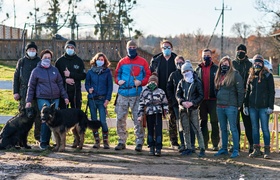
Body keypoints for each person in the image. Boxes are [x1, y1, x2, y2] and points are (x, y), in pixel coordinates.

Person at [25, 49, 69, 150]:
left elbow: (60, 84)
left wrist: (65, 96)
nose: (47, 59)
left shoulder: (54, 70)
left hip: (55, 98)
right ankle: (43, 142)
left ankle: (56, 143)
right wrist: (28, 100)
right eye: (45, 57)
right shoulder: (36, 71)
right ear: (41, 58)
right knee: (45, 119)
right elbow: (31, 86)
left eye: (49, 58)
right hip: (42, 98)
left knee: (54, 120)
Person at [114, 40, 151, 151]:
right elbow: (116, 75)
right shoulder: (122, 62)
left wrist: (141, 82)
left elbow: (148, 75)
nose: (132, 49)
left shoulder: (143, 62)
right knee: (120, 118)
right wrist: (118, 81)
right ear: (127, 48)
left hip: (136, 94)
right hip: (123, 94)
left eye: (134, 47)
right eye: (130, 47)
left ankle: (139, 142)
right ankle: (121, 141)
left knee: (138, 118)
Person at [244, 54, 275, 159]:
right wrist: (245, 106)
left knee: (265, 129)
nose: (257, 64)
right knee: (255, 128)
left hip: (264, 107)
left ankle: (267, 150)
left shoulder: (268, 75)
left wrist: (270, 106)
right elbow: (247, 92)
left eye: (259, 62)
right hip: (252, 107)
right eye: (255, 62)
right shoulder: (251, 75)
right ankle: (256, 149)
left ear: (262, 63)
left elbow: (272, 92)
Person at [150, 40, 179, 148]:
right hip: (158, 93)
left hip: (172, 93)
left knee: (173, 118)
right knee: (157, 118)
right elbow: (151, 77)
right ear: (161, 49)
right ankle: (155, 141)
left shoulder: (176, 60)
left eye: (168, 47)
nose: (166, 49)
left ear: (171, 48)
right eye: (164, 47)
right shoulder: (156, 61)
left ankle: (174, 141)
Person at [214, 56, 244, 158]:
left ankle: (236, 149)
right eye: (222, 64)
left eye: (226, 64)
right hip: (219, 105)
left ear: (230, 64)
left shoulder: (235, 75)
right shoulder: (219, 75)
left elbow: (240, 91)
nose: (224, 66)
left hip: (231, 106)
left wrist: (239, 105)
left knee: (233, 128)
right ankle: (224, 148)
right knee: (223, 128)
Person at [13, 41, 41, 141]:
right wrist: (15, 92)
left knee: (38, 115)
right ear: (26, 51)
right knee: (22, 115)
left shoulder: (39, 61)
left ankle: (38, 137)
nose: (32, 51)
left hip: (37, 92)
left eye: (33, 50)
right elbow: (16, 78)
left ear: (36, 51)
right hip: (23, 92)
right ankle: (20, 138)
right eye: (30, 50)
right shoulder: (21, 62)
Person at [176, 60, 205, 157]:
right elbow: (178, 94)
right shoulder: (181, 82)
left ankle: (202, 148)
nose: (185, 73)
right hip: (183, 109)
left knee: (197, 129)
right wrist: (182, 102)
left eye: (187, 71)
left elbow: (201, 95)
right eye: (183, 72)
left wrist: (193, 103)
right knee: (185, 129)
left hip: (193, 109)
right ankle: (188, 148)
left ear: (191, 71)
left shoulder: (197, 82)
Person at [166, 56, 195, 153]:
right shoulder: (173, 75)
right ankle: (183, 144)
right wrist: (174, 100)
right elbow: (169, 88)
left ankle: (191, 144)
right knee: (181, 125)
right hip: (177, 104)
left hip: (190, 104)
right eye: (177, 63)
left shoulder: (191, 74)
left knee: (191, 124)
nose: (179, 64)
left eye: (181, 62)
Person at [85, 52, 113, 149]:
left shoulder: (107, 72)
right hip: (92, 99)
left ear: (104, 61)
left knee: (103, 121)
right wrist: (89, 89)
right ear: (95, 60)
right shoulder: (90, 72)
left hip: (102, 100)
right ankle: (97, 141)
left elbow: (110, 87)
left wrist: (107, 99)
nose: (100, 61)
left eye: (102, 60)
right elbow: (86, 84)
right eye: (98, 59)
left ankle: (106, 141)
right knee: (94, 120)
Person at [137, 73, 168, 156]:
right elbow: (141, 104)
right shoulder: (144, 92)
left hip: (158, 113)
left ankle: (158, 148)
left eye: (154, 81)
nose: (153, 83)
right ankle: (151, 147)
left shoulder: (161, 91)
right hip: (149, 113)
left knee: (158, 131)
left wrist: (166, 112)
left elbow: (165, 103)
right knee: (150, 130)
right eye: (151, 81)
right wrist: (140, 115)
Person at [195, 49, 220, 151]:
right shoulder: (198, 69)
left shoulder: (216, 69)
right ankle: (204, 143)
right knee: (203, 123)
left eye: (208, 55)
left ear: (211, 56)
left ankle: (215, 144)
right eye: (204, 55)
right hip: (202, 101)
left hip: (213, 100)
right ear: (202, 56)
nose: (206, 57)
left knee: (214, 122)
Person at [232, 44, 254, 153]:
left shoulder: (250, 65)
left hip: (246, 97)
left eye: (242, 50)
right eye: (238, 50)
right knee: (235, 123)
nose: (240, 52)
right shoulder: (233, 64)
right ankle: (236, 145)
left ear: (245, 52)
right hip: (234, 97)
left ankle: (252, 145)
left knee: (247, 122)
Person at [55, 40, 86, 110]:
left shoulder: (79, 61)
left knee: (76, 113)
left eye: (72, 47)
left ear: (74, 49)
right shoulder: (59, 61)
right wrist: (65, 80)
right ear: (65, 48)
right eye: (68, 47)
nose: (70, 49)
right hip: (63, 92)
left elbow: (83, 76)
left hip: (76, 92)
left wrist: (71, 74)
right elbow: (56, 77)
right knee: (63, 114)